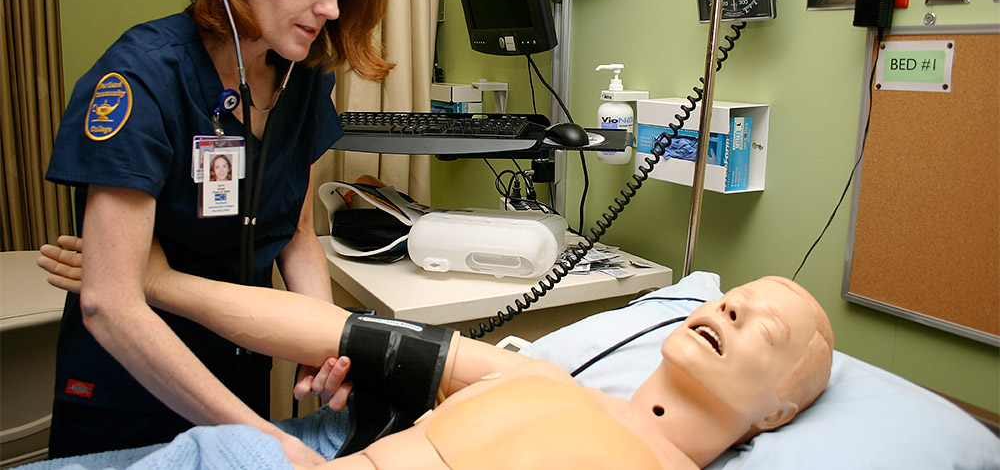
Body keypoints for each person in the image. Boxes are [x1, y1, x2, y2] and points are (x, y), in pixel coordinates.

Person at [42, 0, 392, 464]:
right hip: (133, 383)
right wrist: (269, 441)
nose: (330, 8)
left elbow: (296, 232)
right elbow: (109, 303)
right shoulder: (143, 78)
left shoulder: (301, 78)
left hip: (239, 369)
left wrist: (318, 341)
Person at [40, 236, 835, 469]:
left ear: (776, 410)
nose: (732, 305)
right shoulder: (538, 375)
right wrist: (160, 282)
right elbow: (335, 334)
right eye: (734, 295)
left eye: (764, 327)